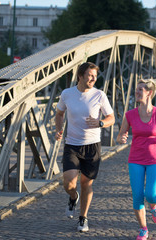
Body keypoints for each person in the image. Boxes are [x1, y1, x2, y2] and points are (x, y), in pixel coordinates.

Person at [54, 62, 115, 232]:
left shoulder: (99, 95)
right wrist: (59, 129)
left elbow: (111, 118)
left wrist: (100, 122)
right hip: (72, 145)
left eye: (95, 76)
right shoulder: (67, 94)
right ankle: (73, 197)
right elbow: (59, 114)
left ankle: (83, 218)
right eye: (90, 75)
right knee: (69, 183)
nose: (93, 78)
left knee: (86, 184)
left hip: (92, 146)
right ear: (80, 76)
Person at [116, 78, 156, 240]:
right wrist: (121, 138)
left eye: (140, 89)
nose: (137, 92)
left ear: (149, 93)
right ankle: (143, 229)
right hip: (135, 159)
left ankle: (155, 205)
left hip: (155, 159)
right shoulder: (130, 115)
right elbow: (120, 134)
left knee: (151, 195)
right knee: (138, 196)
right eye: (136, 89)